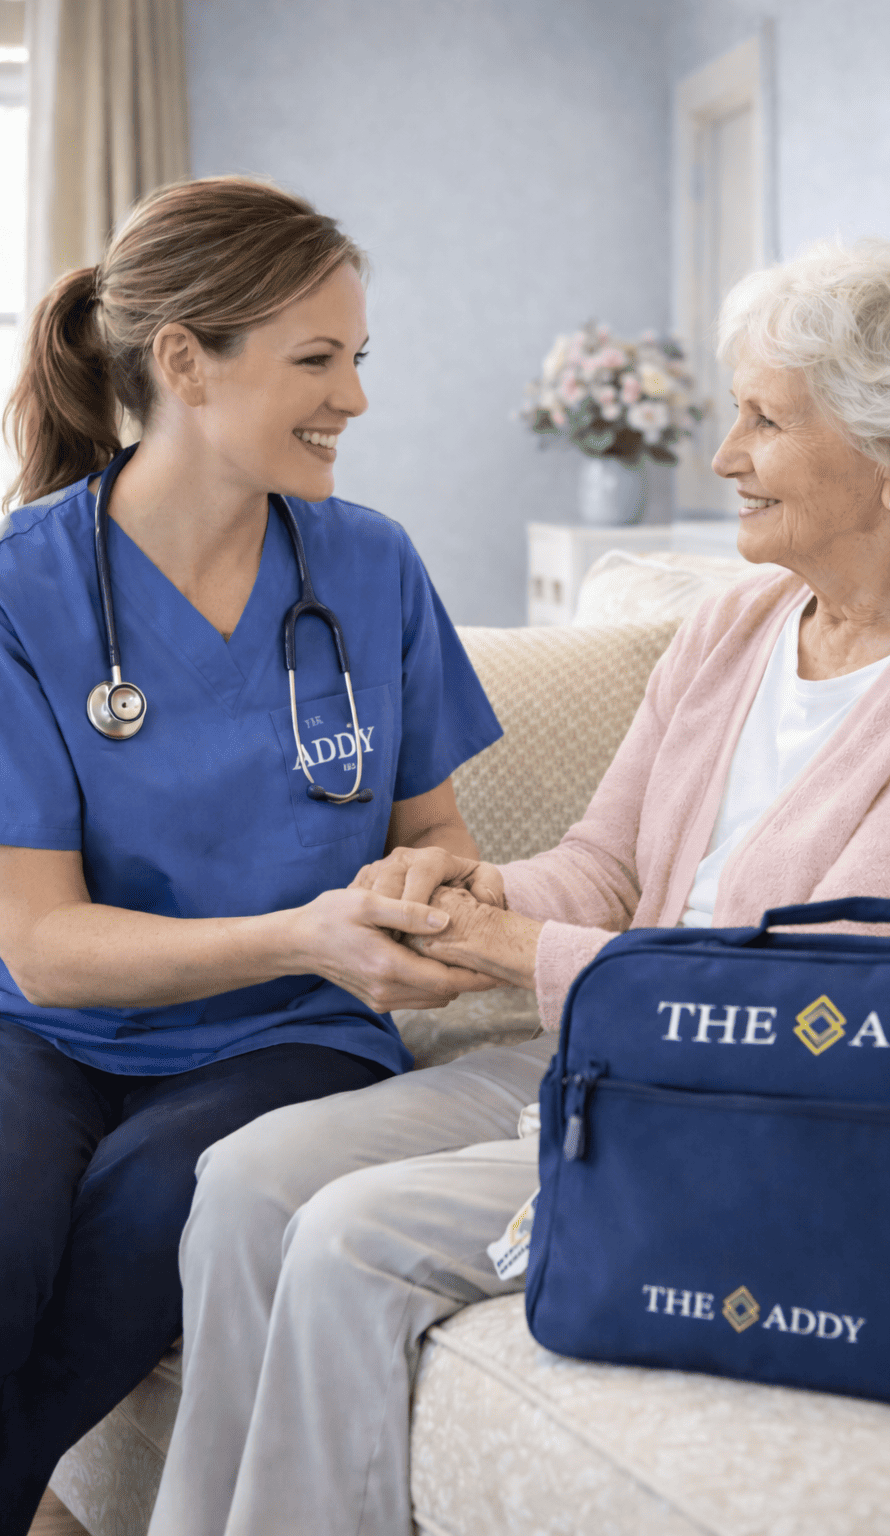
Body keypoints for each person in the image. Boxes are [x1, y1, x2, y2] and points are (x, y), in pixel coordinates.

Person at [150, 238, 890, 1536]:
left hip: (742, 1125)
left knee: (348, 1241)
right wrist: (469, 887)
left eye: (766, 421)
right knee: (240, 1180)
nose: (723, 455)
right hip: (591, 1063)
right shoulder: (734, 623)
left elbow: (818, 1012)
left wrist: (515, 953)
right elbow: (605, 868)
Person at [0, 176, 504, 1535]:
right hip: (59, 1034)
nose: (353, 397)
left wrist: (422, 896)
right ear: (184, 363)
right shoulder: (20, 589)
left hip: (294, 1036)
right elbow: (44, 951)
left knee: (154, 1204)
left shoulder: (373, 568)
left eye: (357, 359)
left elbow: (438, 833)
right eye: (316, 360)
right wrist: (300, 926)